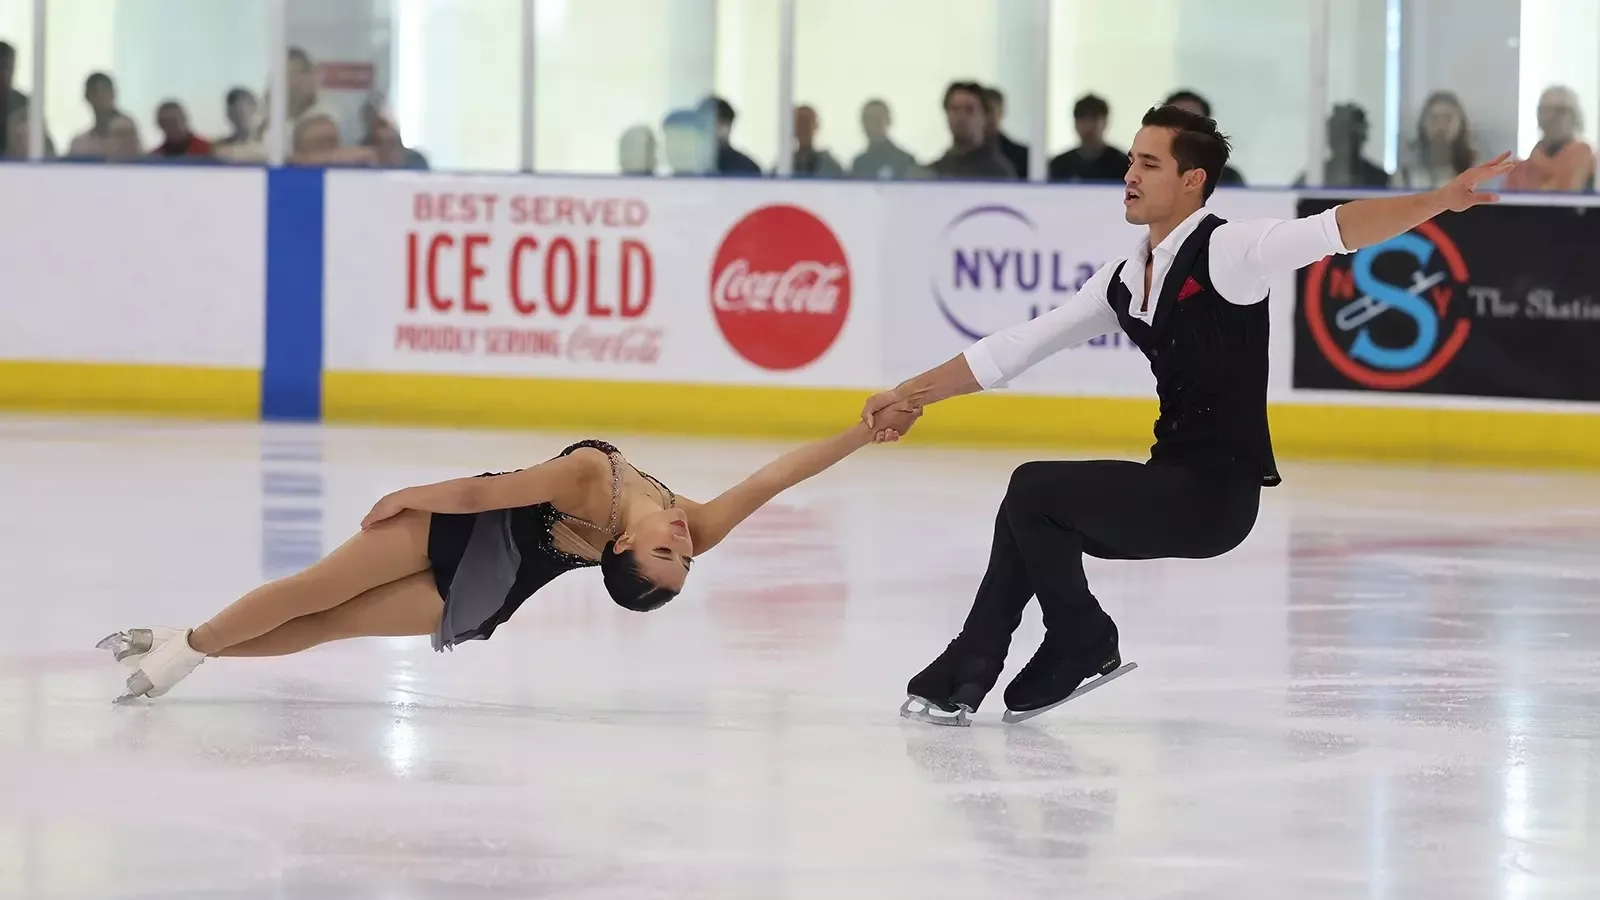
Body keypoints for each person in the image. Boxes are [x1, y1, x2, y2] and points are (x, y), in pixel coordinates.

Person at [863, 104, 1515, 726]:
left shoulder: (1231, 253)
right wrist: (912, 393)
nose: (1129, 176)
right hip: (1171, 481)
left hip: (1215, 497)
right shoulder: (1125, 278)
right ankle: (966, 672)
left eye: (1149, 164)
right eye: (1131, 161)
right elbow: (1020, 346)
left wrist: (1437, 201)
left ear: (1191, 180)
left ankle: (1081, 639)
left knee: (1033, 490)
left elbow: (1339, 228)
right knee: (1027, 514)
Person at [99, 414, 919, 702]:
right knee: (314, 589)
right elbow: (780, 476)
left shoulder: (608, 493)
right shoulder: (597, 477)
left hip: (499, 580)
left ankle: (190, 644)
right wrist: (862, 431)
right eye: (682, 555)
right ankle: (190, 647)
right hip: (457, 528)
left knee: (325, 627)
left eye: (671, 557)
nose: (684, 544)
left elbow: (496, 502)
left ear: (626, 553)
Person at [1393, 91, 1475, 189]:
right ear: (1423, 124)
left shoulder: (1475, 172)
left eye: (1448, 118)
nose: (1441, 126)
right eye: (1434, 118)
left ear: (1461, 124)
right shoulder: (1405, 173)